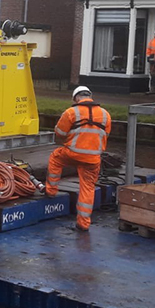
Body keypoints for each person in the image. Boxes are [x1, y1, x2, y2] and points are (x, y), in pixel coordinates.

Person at [45, 86, 112, 231]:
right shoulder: (106, 114)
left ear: (76, 98)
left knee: (56, 158)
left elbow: (60, 133)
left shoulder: (71, 112)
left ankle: (51, 191)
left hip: (72, 153)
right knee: (88, 188)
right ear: (90, 96)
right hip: (93, 159)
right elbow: (105, 135)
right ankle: (83, 224)